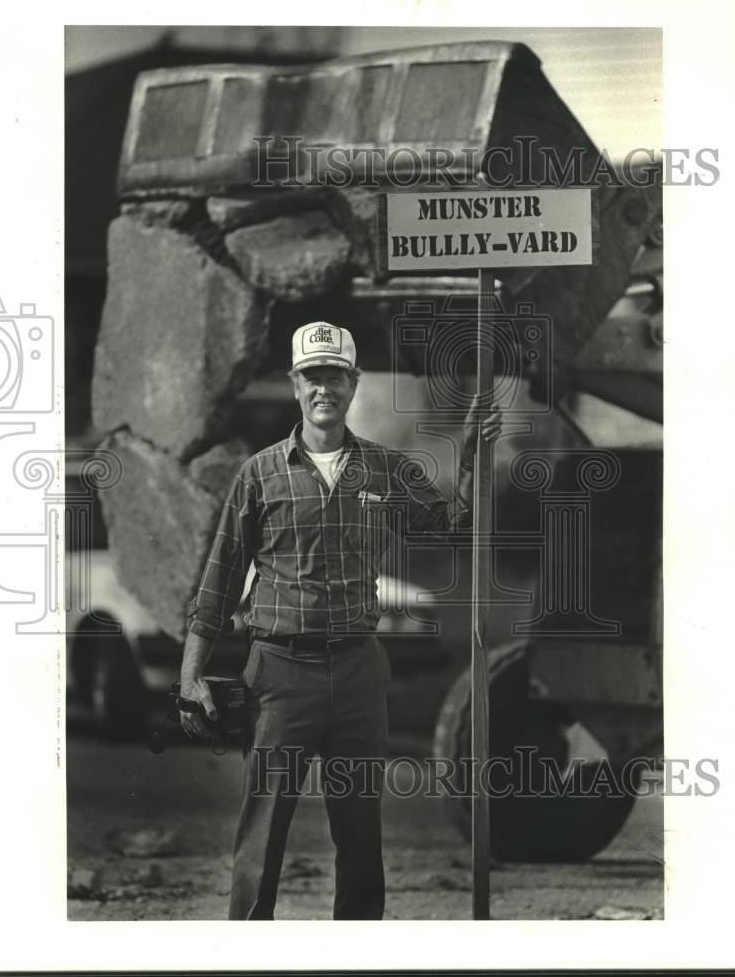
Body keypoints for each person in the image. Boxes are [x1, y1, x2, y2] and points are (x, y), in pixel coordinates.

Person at [180, 320, 502, 920]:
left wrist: (473, 456)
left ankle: (357, 952)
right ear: (295, 385)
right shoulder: (259, 475)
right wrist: (189, 677)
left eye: (334, 376)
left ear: (352, 384)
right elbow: (219, 579)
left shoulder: (384, 470)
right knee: (262, 834)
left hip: (357, 672)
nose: (322, 388)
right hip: (278, 673)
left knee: (359, 835)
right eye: (311, 377)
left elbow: (455, 526)